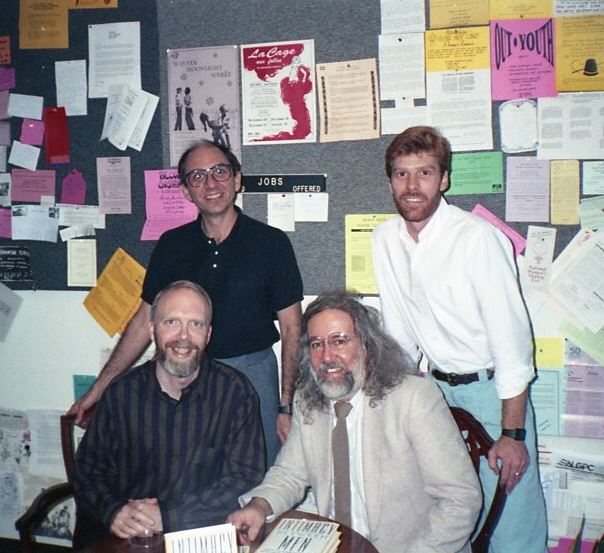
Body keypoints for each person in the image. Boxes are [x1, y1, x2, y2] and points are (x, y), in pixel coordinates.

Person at [68, 140, 303, 468]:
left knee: (258, 479)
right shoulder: (171, 245)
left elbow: (293, 327)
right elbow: (143, 321)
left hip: (253, 376)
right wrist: (98, 389)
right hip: (184, 376)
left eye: (220, 172)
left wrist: (286, 406)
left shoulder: (272, 243)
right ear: (185, 191)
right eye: (197, 177)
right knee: (188, 478)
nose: (210, 184)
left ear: (237, 180)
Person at [371, 126, 548, 553]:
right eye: (401, 174)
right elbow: (399, 336)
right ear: (390, 179)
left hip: (493, 395)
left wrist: (514, 433)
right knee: (451, 519)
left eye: (425, 173)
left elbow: (512, 344)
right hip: (434, 395)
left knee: (511, 527)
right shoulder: (385, 239)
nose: (412, 187)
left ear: (444, 179)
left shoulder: (477, 239)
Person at [228, 290, 481, 553]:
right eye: (316, 344)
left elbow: (460, 500)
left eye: (339, 341)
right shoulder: (308, 400)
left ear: (367, 345)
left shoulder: (414, 398)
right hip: (337, 545)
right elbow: (289, 473)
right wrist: (259, 505)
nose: (327, 356)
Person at [73, 281, 265, 549]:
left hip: (198, 537)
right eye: (171, 322)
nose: (183, 336)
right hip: (130, 538)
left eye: (195, 324)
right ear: (152, 330)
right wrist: (114, 511)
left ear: (208, 334)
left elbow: (244, 477)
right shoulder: (121, 394)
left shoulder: (236, 393)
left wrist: (168, 516)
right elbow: (88, 470)